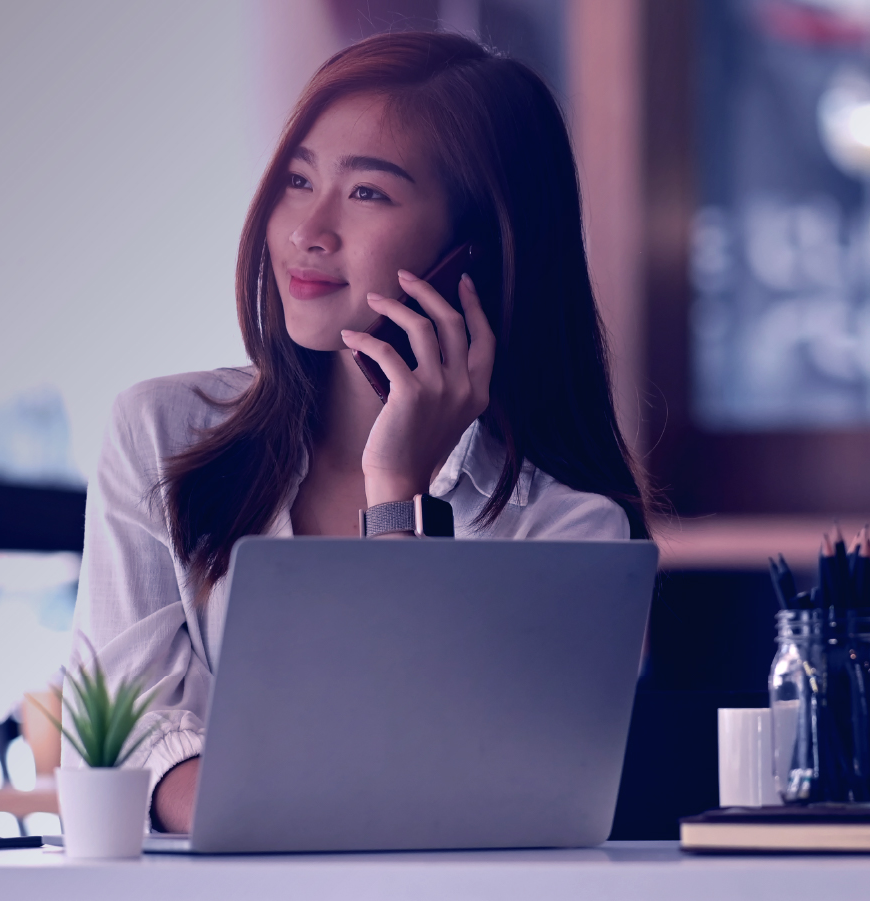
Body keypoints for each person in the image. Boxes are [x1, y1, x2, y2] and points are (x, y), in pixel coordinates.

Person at [71, 30, 650, 834]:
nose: (307, 229)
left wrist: (398, 500)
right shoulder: (162, 431)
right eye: (297, 179)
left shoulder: (572, 533)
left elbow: (447, 780)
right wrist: (263, 813)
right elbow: (115, 726)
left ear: (471, 251)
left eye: (367, 193)